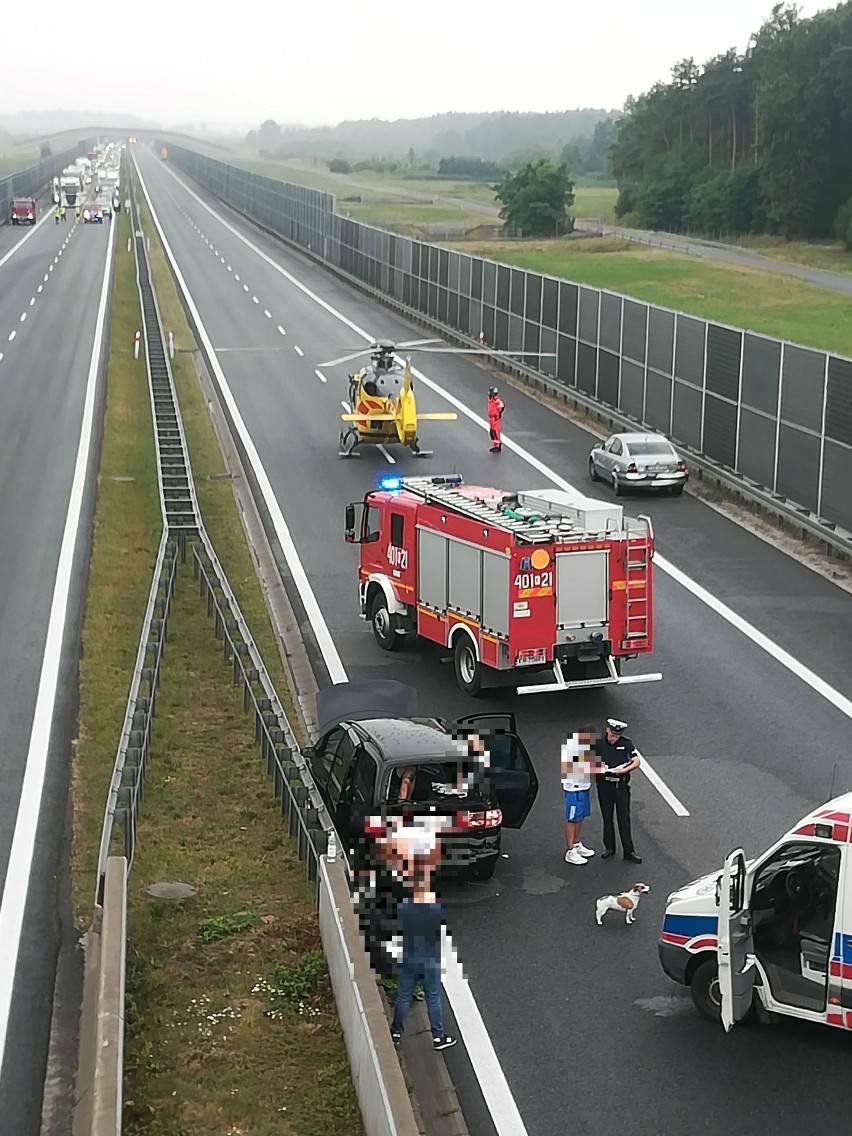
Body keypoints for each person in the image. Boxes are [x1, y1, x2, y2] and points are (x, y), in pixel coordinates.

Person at [390, 861, 457, 1052]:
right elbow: (440, 928)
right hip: (429, 959)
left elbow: (397, 927)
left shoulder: (404, 907)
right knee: (433, 998)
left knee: (403, 996)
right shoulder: (435, 909)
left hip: (408, 958)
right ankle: (438, 1036)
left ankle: (396, 1031)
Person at [594, 718, 643, 863]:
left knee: (624, 819)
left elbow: (636, 761)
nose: (614, 738)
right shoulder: (599, 744)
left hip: (620, 786)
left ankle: (629, 851)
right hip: (605, 786)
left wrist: (625, 770)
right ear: (607, 730)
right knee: (607, 817)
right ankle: (609, 848)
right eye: (612, 735)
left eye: (617, 736)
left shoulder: (626, 743)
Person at [561, 727, 605, 865]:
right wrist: (602, 769)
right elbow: (582, 767)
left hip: (583, 786)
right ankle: (570, 851)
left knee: (580, 817)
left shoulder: (582, 746)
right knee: (572, 819)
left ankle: (576, 843)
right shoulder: (572, 748)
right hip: (574, 789)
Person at [487, 387, 504, 453]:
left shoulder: (496, 400)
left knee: (495, 432)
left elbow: (501, 406)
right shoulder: (490, 400)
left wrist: (498, 414)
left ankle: (497, 446)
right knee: (492, 432)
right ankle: (494, 445)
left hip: (495, 418)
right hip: (491, 418)